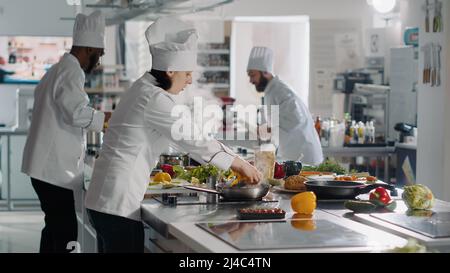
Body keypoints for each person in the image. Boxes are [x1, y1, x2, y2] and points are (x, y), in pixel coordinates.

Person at [85, 17, 262, 253]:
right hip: (117, 201)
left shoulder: (143, 88)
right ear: (170, 70)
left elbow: (192, 135)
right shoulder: (155, 98)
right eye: (187, 73)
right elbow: (194, 138)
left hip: (107, 198)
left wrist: (234, 159)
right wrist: (238, 164)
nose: (190, 80)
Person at [21, 11, 111, 253]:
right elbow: (76, 113)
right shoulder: (72, 71)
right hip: (51, 170)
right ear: (89, 50)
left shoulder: (59, 69)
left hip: (45, 168)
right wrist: (107, 119)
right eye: (99, 54)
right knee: (65, 233)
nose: (99, 62)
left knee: (54, 229)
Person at [247, 46, 323, 165]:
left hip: (304, 157)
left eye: (252, 75)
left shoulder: (281, 90)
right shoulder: (270, 91)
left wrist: (268, 128)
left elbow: (296, 119)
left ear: (265, 72)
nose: (250, 80)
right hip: (293, 155)